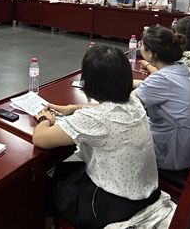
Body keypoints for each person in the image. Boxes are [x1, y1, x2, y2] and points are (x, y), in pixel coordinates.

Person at [33, 46, 159, 229]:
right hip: (144, 192)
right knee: (64, 170)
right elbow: (107, 111)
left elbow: (40, 139)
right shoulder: (134, 102)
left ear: (90, 83)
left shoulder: (95, 120)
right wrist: (74, 108)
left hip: (113, 205)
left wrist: (45, 119)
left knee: (47, 186)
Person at [133, 26, 190, 171]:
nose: (140, 47)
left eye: (141, 45)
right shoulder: (181, 68)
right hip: (187, 144)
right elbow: (153, 86)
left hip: (171, 153)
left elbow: (128, 103)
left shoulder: (162, 79)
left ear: (151, 53)